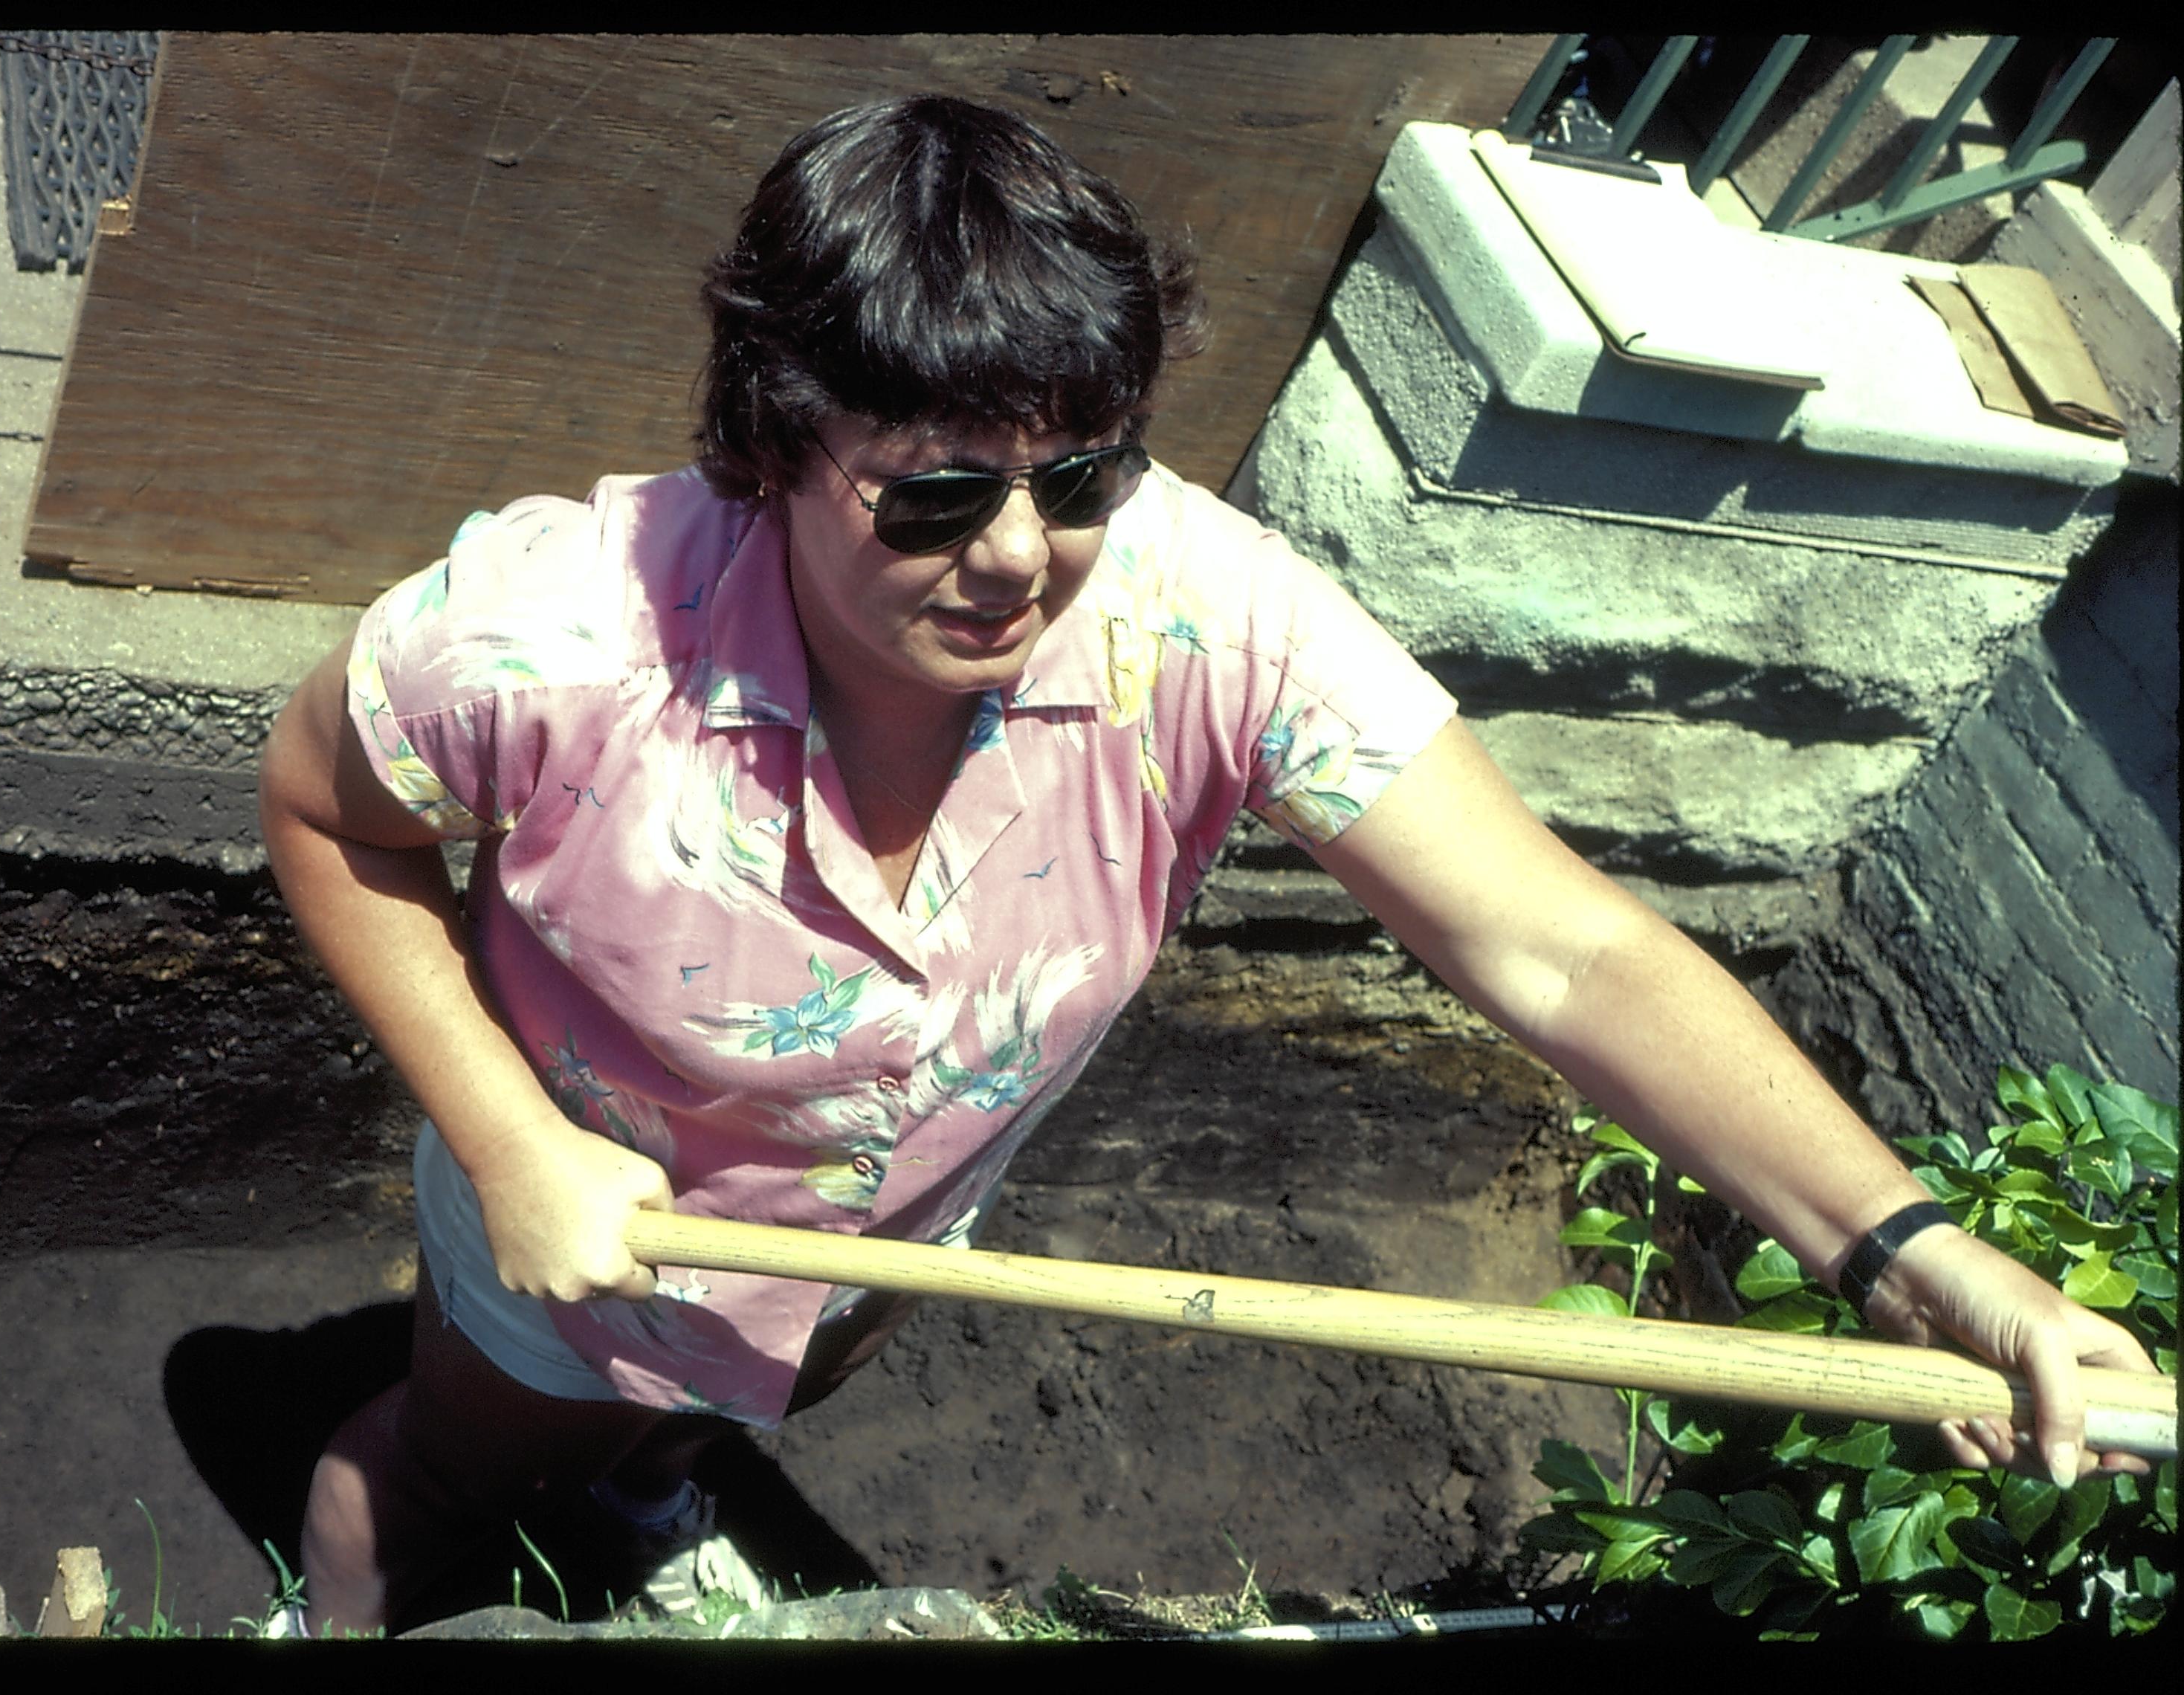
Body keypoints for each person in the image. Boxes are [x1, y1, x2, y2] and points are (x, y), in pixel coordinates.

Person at [257, 94, 2157, 1636]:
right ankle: (334, 1609)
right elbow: (323, 809)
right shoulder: (550, 634)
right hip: (584, 1248)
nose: (1019, 554)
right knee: (436, 1468)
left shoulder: (1206, 617)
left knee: (718, 1420)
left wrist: (1913, 1261)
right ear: (771, 433)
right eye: (935, 491)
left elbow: (1561, 952)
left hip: (897, 1239)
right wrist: (508, 1145)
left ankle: (652, 1501)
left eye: (1080, 475)